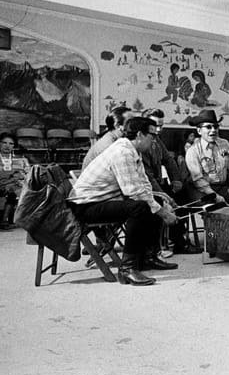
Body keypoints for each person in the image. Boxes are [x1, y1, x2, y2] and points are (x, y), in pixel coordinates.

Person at [68, 117, 179, 286]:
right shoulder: (122, 153)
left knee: (153, 201)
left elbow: (142, 185)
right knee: (140, 208)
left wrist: (161, 198)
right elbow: (133, 192)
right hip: (85, 207)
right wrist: (163, 213)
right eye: (153, 136)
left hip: (99, 200)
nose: (155, 140)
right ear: (140, 135)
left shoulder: (132, 150)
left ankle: (148, 257)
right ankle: (127, 269)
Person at [141, 109, 200, 254]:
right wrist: (164, 195)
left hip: (158, 183)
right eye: (155, 125)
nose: (159, 129)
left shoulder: (157, 139)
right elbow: (148, 176)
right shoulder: (141, 143)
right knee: (170, 200)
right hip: (146, 188)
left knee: (183, 194)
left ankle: (179, 238)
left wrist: (176, 180)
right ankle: (178, 241)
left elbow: (168, 160)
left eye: (162, 125)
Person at [185, 109, 229, 204]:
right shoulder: (192, 151)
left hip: (223, 186)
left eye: (215, 126)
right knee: (208, 205)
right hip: (202, 189)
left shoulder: (225, 144)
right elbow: (198, 180)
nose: (213, 130)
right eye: (208, 127)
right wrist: (215, 196)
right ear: (199, 130)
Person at [0, 133, 31, 230]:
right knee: (13, 189)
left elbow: (28, 174)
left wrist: (21, 177)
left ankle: (6, 220)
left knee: (18, 189)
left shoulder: (21, 159)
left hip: (14, 185)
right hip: (4, 184)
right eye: (4, 142)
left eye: (11, 143)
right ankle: (4, 221)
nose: (7, 146)